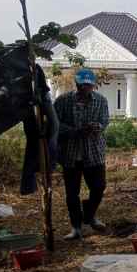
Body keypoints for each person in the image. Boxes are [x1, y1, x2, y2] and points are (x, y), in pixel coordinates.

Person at [53, 69, 109, 240]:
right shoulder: (63, 101)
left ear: (93, 85)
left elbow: (104, 120)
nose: (85, 88)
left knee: (99, 187)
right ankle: (76, 227)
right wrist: (74, 131)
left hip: (93, 151)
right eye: (82, 85)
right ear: (76, 84)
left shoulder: (100, 100)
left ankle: (89, 215)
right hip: (70, 153)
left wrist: (96, 127)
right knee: (72, 193)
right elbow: (55, 124)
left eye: (89, 85)